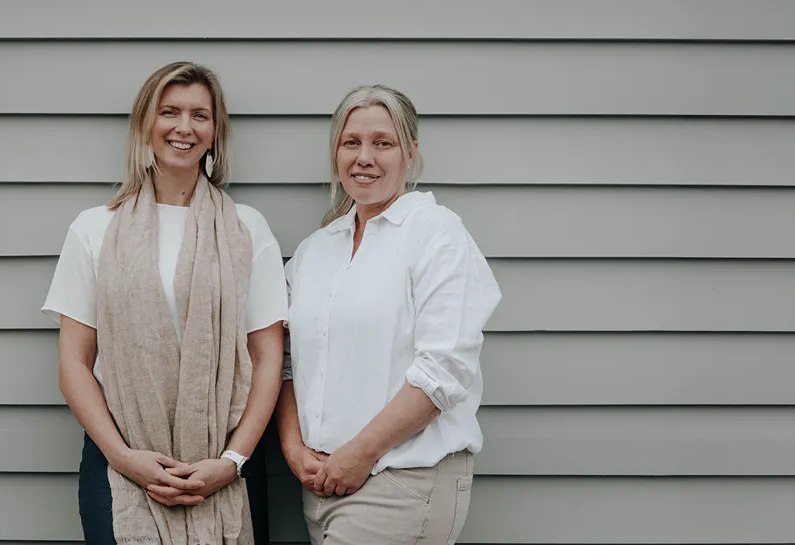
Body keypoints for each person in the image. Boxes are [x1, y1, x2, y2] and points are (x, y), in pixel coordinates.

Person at [41, 61, 288, 545]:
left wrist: (231, 462)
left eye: (200, 115)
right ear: (145, 125)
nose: (184, 127)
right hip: (119, 461)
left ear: (215, 133)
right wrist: (123, 457)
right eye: (169, 112)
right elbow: (74, 362)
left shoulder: (247, 228)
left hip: (224, 462)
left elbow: (267, 358)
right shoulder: (94, 229)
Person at [275, 84, 501, 544]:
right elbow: (286, 361)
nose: (364, 157)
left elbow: (443, 369)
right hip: (320, 484)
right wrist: (293, 446)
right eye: (351, 142)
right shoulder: (316, 250)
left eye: (383, 143)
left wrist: (359, 454)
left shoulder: (434, 233)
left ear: (410, 153)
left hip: (401, 478)